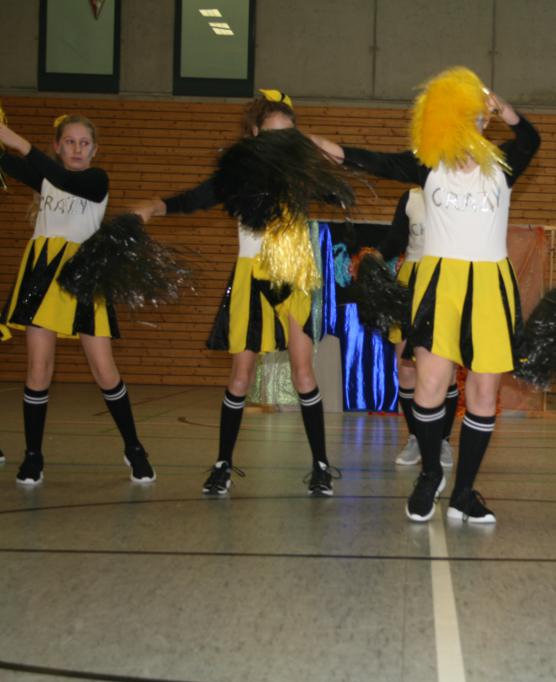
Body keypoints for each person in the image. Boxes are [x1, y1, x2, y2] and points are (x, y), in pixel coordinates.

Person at [336, 67, 540, 523]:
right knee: (429, 385)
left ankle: (464, 492)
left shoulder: (502, 166)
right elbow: (372, 160)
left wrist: (501, 105)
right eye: (461, 116)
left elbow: (531, 139)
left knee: (483, 392)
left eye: (478, 117)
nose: (473, 123)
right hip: (439, 283)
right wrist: (321, 146)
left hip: (489, 285)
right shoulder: (428, 167)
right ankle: (430, 474)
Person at [133, 90, 339, 496]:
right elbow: (195, 198)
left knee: (302, 372)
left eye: (287, 134)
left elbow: (336, 161)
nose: (279, 143)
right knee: (240, 375)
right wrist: (156, 205)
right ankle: (223, 464)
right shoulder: (238, 175)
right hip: (250, 274)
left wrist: (302, 142)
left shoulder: (300, 171)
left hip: (293, 274)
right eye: (272, 134)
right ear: (254, 133)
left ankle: (320, 465)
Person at [0, 114, 154, 485]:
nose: (77, 149)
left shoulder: (96, 180)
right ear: (57, 146)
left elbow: (63, 179)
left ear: (95, 150)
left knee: (104, 370)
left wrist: (15, 139)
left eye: (84, 143)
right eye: (69, 142)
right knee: (38, 369)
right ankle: (33, 456)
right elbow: (12, 164)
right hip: (41, 277)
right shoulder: (45, 178)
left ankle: (134, 448)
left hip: (85, 278)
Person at [377, 188, 456, 469]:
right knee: (406, 368)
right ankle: (415, 437)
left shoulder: (457, 192)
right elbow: (396, 239)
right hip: (409, 283)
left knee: (445, 372)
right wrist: (374, 256)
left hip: (445, 281)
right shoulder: (410, 197)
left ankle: (442, 440)